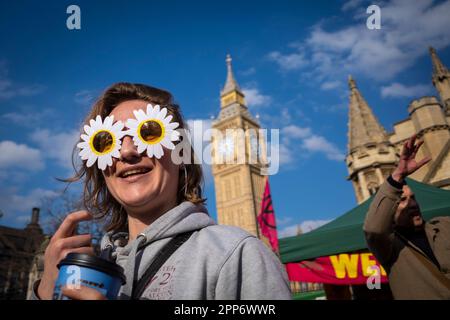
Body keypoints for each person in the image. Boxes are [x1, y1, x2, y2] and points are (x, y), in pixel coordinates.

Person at [30, 82, 291, 300]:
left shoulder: (237, 255)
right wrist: (46, 291)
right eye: (107, 141)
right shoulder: (89, 265)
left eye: (149, 133)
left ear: (182, 155)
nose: (127, 151)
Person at [364, 135, 450, 299]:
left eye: (413, 198)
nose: (412, 204)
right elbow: (374, 229)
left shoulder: (444, 225)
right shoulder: (389, 248)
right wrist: (397, 176)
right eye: (402, 200)